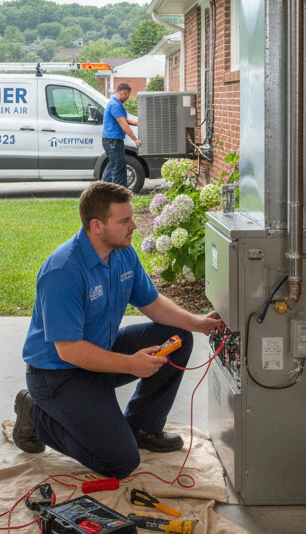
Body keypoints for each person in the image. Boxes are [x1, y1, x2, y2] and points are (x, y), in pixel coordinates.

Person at [12, 180, 224, 478]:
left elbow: (151, 303)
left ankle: (141, 426)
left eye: (132, 217)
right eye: (124, 220)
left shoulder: (122, 252)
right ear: (97, 226)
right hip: (58, 374)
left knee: (176, 337)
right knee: (120, 462)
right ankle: (35, 414)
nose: (134, 226)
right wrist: (131, 364)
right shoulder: (62, 272)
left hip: (101, 352)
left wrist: (199, 323)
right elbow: (69, 350)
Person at [102, 82, 140, 187]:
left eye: (127, 95)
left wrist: (139, 123)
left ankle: (101, 189)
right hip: (113, 140)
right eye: (124, 94)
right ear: (118, 92)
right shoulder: (115, 105)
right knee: (119, 167)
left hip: (111, 140)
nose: (126, 97)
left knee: (113, 165)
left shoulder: (116, 104)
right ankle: (119, 192)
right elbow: (123, 123)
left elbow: (125, 119)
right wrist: (135, 139)